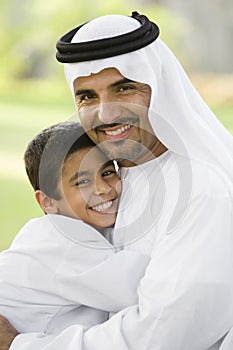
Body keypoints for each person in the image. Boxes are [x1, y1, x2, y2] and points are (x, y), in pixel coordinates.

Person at [1, 10, 233, 350]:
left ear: (160, 89)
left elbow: (162, 336)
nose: (105, 113)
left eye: (124, 88)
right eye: (87, 97)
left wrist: (19, 344)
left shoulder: (201, 190)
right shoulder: (114, 172)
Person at [0, 121, 149, 346]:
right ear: (48, 202)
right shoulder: (61, 242)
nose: (103, 188)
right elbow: (139, 288)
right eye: (83, 181)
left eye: (108, 172)